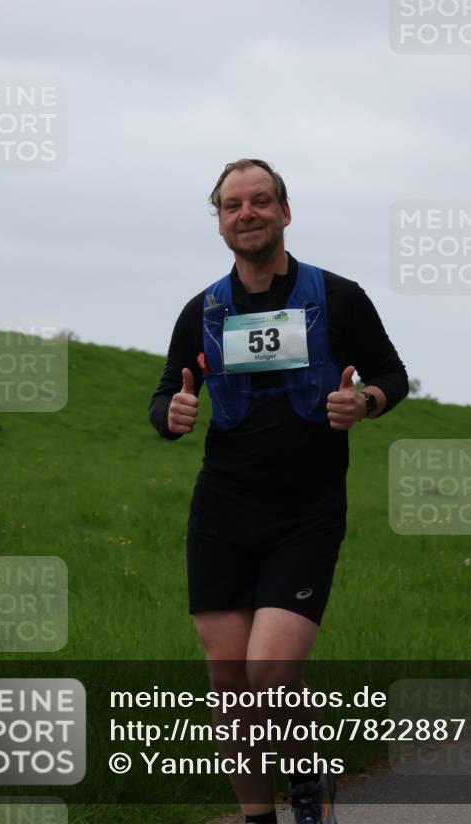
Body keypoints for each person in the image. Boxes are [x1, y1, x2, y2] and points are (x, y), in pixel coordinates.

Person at [149, 159, 409, 824]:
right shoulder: (203, 311)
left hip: (305, 514)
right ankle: (258, 817)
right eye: (232, 205)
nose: (247, 213)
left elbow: (390, 374)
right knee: (228, 679)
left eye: (260, 200)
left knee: (268, 672)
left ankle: (307, 775)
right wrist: (170, 415)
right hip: (222, 513)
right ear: (220, 222)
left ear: (284, 212)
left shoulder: (337, 297)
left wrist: (365, 401)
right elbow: (167, 391)